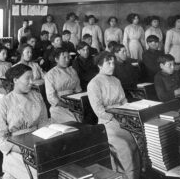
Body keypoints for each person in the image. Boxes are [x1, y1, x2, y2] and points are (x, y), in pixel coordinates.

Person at [87, 51, 141, 179]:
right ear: (100, 66)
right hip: (108, 123)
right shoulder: (94, 83)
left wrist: (127, 113)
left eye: (113, 63)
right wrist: (114, 118)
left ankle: (136, 175)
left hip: (123, 119)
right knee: (125, 147)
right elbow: (98, 110)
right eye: (108, 63)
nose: (112, 66)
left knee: (137, 142)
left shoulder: (116, 80)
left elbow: (123, 100)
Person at [0, 64, 49, 179]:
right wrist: (23, 149)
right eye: (27, 78)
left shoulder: (37, 96)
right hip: (16, 149)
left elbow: (44, 123)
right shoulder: (4, 103)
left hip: (37, 143)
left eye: (32, 78)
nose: (31, 82)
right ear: (15, 80)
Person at [45, 48, 82, 123]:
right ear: (56, 59)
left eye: (68, 57)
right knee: (73, 123)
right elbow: (51, 97)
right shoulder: (50, 74)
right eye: (64, 57)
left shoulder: (72, 71)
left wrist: (78, 104)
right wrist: (67, 105)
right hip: (58, 106)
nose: (67, 59)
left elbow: (78, 90)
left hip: (74, 105)